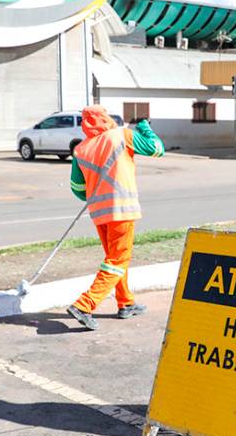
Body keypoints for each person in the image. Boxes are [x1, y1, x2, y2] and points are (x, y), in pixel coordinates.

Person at [66, 105, 165, 330]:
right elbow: (158, 149)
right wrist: (145, 127)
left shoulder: (81, 149)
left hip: (99, 214)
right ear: (105, 118)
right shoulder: (123, 135)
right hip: (122, 209)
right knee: (118, 260)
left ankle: (126, 303)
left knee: (115, 260)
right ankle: (84, 305)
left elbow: (77, 188)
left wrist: (93, 194)